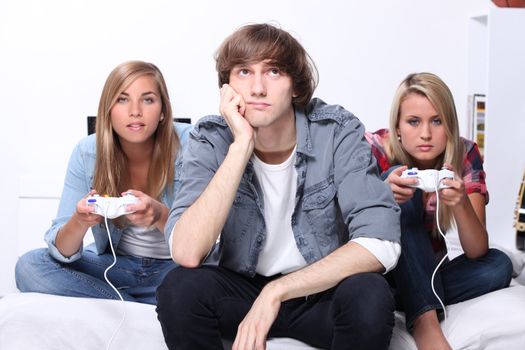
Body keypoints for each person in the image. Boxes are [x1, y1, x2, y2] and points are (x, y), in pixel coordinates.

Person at [156, 23, 402, 350]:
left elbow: (381, 242)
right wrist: (241, 145)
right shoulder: (210, 139)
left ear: (295, 86)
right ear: (227, 87)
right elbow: (186, 252)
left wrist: (277, 291)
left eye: (273, 72)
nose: (257, 88)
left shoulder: (336, 130)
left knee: (371, 293)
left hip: (319, 292)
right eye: (244, 72)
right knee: (178, 288)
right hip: (241, 289)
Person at [15, 61, 192, 305]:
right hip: (118, 267)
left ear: (163, 110)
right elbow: (63, 251)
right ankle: (138, 308)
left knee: (218, 285)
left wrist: (160, 215)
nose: (135, 111)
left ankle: (120, 304)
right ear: (107, 109)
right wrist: (79, 221)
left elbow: (206, 243)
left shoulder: (193, 144)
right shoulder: (88, 151)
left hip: (178, 271)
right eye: (122, 99)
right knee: (30, 266)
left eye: (148, 99)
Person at [365, 72, 513, 350]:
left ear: (450, 125)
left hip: (427, 272)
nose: (425, 134)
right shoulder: (374, 148)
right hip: (383, 270)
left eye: (437, 121)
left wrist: (461, 204)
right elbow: (346, 225)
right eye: (413, 122)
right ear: (397, 126)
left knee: (499, 265)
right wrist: (383, 193)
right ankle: (425, 322)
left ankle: (411, 298)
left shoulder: (463, 153)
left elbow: (477, 250)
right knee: (399, 174)